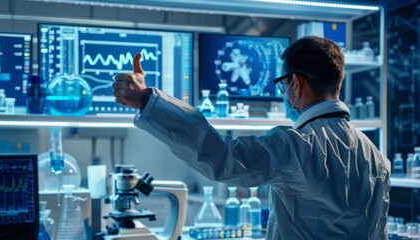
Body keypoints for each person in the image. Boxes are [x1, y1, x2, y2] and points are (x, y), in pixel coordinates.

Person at [112, 36, 390, 239]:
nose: (283, 93)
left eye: (282, 84)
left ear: (296, 83)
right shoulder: (376, 157)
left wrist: (147, 100)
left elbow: (222, 158)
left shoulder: (297, 146)